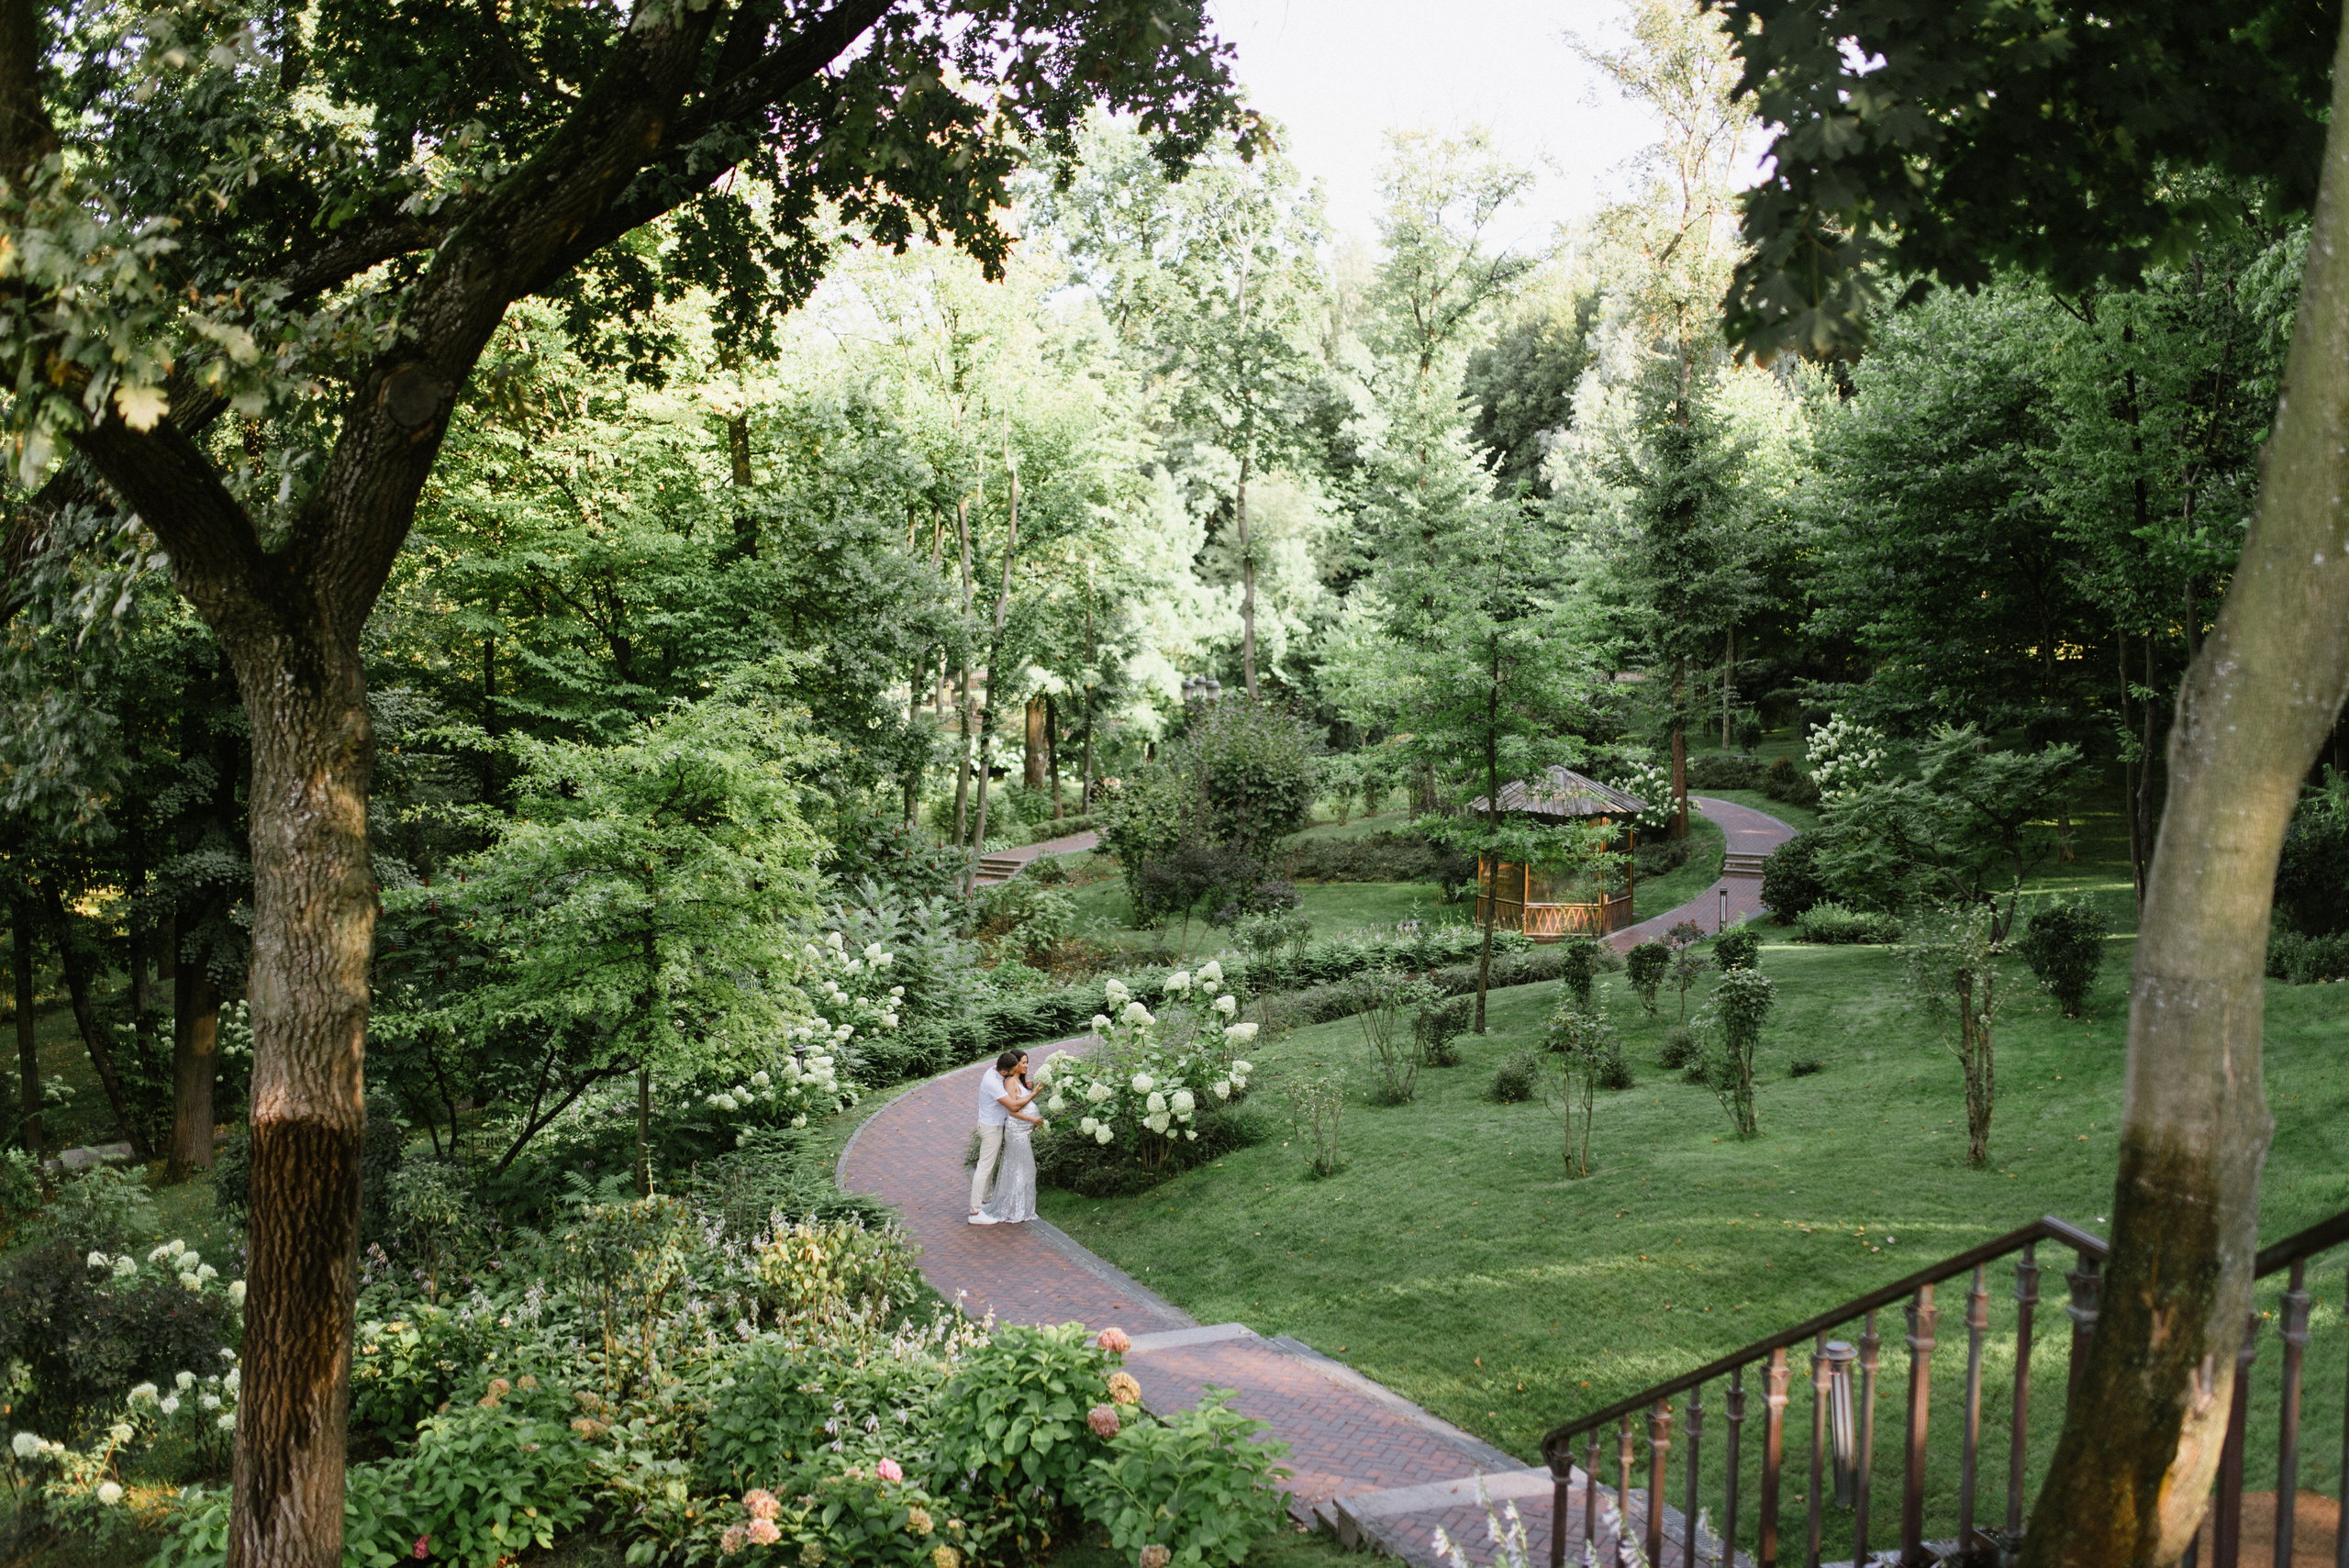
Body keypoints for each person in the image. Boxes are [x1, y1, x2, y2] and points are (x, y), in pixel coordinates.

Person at [969, 1050, 1037, 1225]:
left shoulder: (995, 1070)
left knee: (988, 1167)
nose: (1017, 1072)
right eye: (1014, 1070)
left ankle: (986, 1200)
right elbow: (1013, 1106)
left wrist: (1023, 1087)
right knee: (984, 1167)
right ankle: (975, 1213)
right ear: (1004, 1072)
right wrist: (1034, 1093)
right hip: (991, 1128)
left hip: (992, 1126)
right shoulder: (993, 1083)